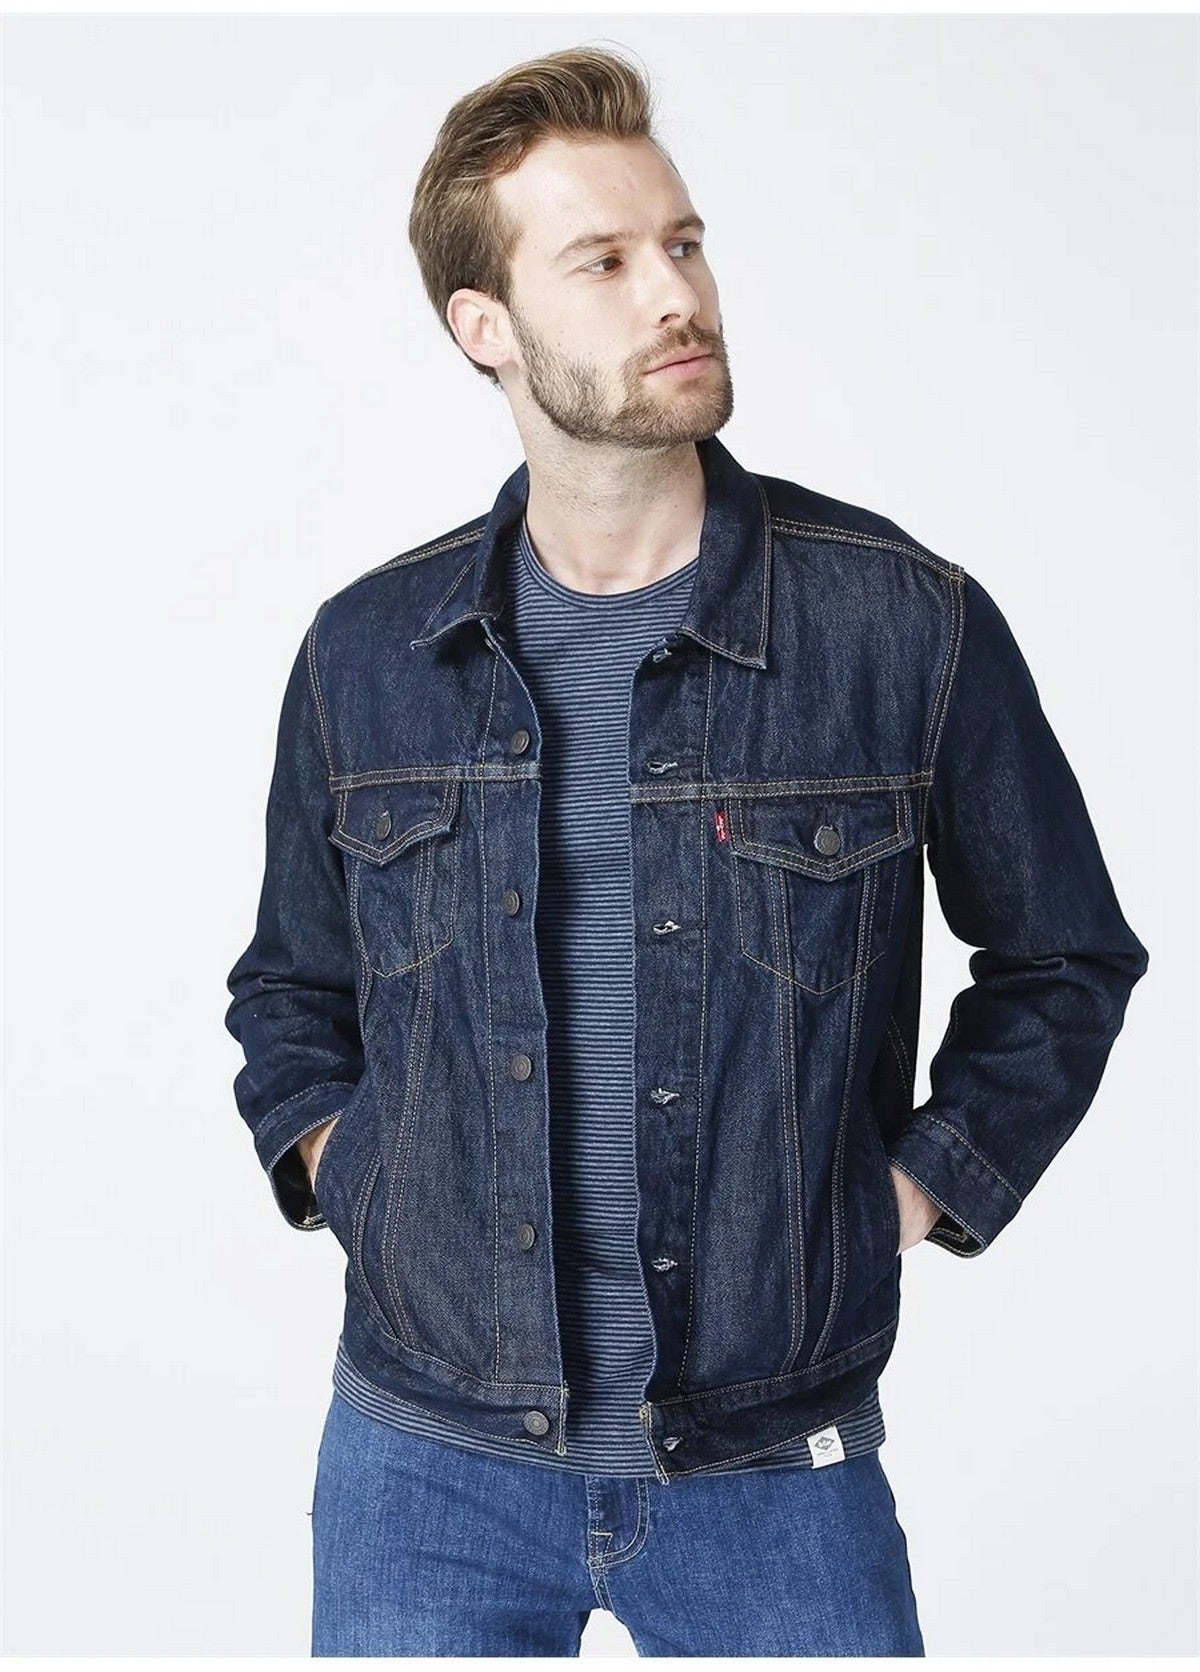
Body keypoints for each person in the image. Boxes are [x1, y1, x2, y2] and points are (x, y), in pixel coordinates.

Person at [223, 45, 1149, 1658]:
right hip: (421, 1463)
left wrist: (909, 1195)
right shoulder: (367, 653)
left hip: (771, 1462)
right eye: (603, 261)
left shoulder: (902, 625)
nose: (677, 293)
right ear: (485, 327)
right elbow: (290, 990)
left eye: (685, 243)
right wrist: (348, 1169)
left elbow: (1065, 957)